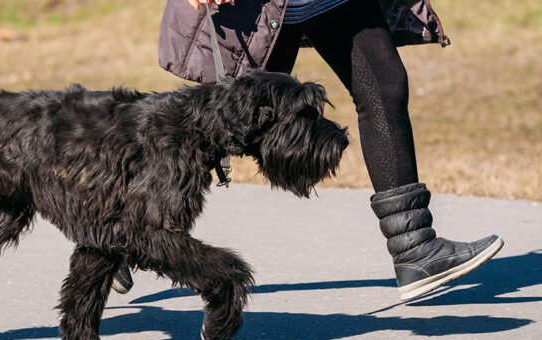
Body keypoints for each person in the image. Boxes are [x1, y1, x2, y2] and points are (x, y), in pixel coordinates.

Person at [111, 0, 504, 301]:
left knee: (385, 87)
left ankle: (415, 246)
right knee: (217, 130)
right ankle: (121, 241)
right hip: (259, 7)